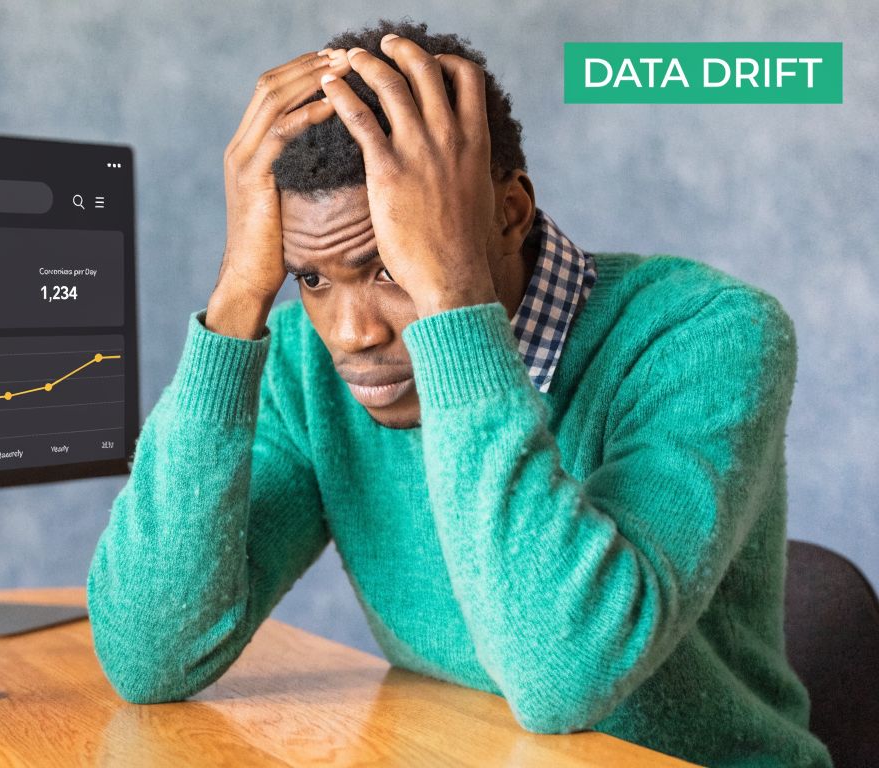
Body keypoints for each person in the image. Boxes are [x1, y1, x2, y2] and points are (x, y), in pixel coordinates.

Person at [87, 20, 830, 768]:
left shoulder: (707, 333)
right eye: (308, 278)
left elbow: (563, 678)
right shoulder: (304, 368)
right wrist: (238, 299)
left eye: (391, 267)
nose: (350, 334)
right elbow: (150, 657)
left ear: (509, 216)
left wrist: (451, 304)